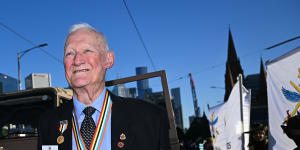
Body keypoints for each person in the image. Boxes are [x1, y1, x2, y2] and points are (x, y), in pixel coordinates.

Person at [38, 23, 170, 150]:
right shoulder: (48, 124)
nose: (77, 61)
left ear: (108, 59)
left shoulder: (150, 119)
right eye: (69, 53)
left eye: (87, 50)